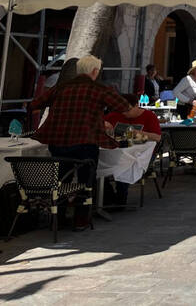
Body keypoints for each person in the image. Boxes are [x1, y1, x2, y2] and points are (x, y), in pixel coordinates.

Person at [29, 55, 142, 229]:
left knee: (61, 181)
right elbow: (127, 111)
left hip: (58, 141)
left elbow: (33, 106)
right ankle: (81, 219)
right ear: (95, 71)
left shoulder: (60, 88)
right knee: (86, 182)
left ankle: (58, 218)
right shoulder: (100, 89)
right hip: (84, 141)